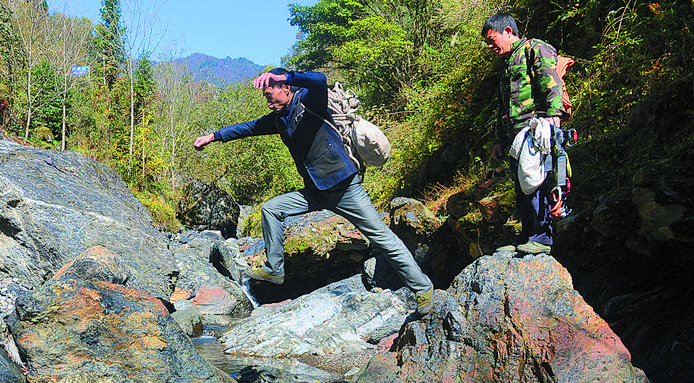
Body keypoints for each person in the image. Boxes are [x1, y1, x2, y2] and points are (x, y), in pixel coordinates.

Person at [193, 68, 435, 316]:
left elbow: (320, 80)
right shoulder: (278, 119)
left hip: (344, 187)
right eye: (265, 97)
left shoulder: (309, 102)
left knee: (382, 238)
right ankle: (274, 269)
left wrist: (287, 75)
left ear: (285, 88)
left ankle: (423, 289)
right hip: (315, 192)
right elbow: (248, 128)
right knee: (271, 209)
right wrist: (213, 136)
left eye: (270, 94)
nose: (267, 101)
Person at [482, 12, 566, 255]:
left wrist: (554, 117)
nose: (490, 47)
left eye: (492, 40)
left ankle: (542, 238)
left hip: (535, 128)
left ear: (508, 31)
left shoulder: (535, 49)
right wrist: (499, 139)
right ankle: (527, 235)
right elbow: (502, 105)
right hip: (514, 136)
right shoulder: (506, 63)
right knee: (522, 186)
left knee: (536, 181)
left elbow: (550, 82)